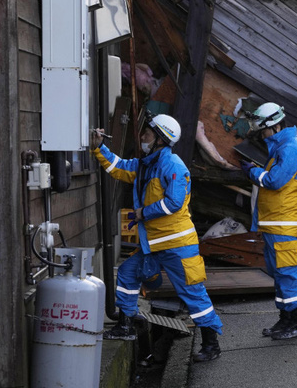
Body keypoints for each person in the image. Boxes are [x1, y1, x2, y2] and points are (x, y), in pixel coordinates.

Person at [91, 112, 223, 362]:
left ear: (160, 140)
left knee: (193, 294)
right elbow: (118, 167)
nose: (142, 137)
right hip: (154, 244)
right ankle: (126, 325)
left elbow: (174, 203)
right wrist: (99, 148)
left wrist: (143, 212)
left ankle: (211, 344)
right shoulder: (146, 165)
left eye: (147, 134)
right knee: (128, 273)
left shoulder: (173, 166)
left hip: (177, 245)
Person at [241, 103, 297, 340]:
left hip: (284, 225)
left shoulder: (290, 149)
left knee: (288, 272)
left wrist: (252, 171)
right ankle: (285, 319)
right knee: (279, 273)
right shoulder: (282, 148)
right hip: (276, 225)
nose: (261, 136)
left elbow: (274, 181)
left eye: (262, 131)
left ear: (273, 126)